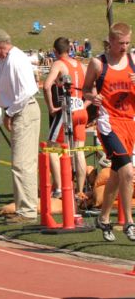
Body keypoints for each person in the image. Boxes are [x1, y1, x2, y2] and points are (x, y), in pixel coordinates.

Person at [0, 29, 41, 224]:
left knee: (23, 164)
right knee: (20, 163)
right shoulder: (4, 62)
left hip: (23, 111)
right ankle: (23, 207)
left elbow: (27, 92)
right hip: (18, 111)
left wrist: (10, 113)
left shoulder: (16, 60)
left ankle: (27, 211)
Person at [82, 23, 135, 241]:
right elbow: (85, 90)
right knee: (128, 172)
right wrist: (92, 97)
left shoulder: (133, 61)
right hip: (108, 122)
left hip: (130, 122)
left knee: (116, 173)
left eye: (128, 43)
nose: (124, 47)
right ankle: (129, 222)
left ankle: (103, 218)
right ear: (111, 41)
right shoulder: (98, 63)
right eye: (121, 43)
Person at [43, 37, 90, 204]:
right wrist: (84, 105)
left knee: (52, 148)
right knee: (79, 150)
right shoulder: (81, 65)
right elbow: (92, 90)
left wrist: (51, 108)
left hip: (67, 110)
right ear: (71, 49)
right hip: (81, 110)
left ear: (55, 51)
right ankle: (80, 191)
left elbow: (47, 85)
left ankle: (59, 188)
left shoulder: (58, 64)